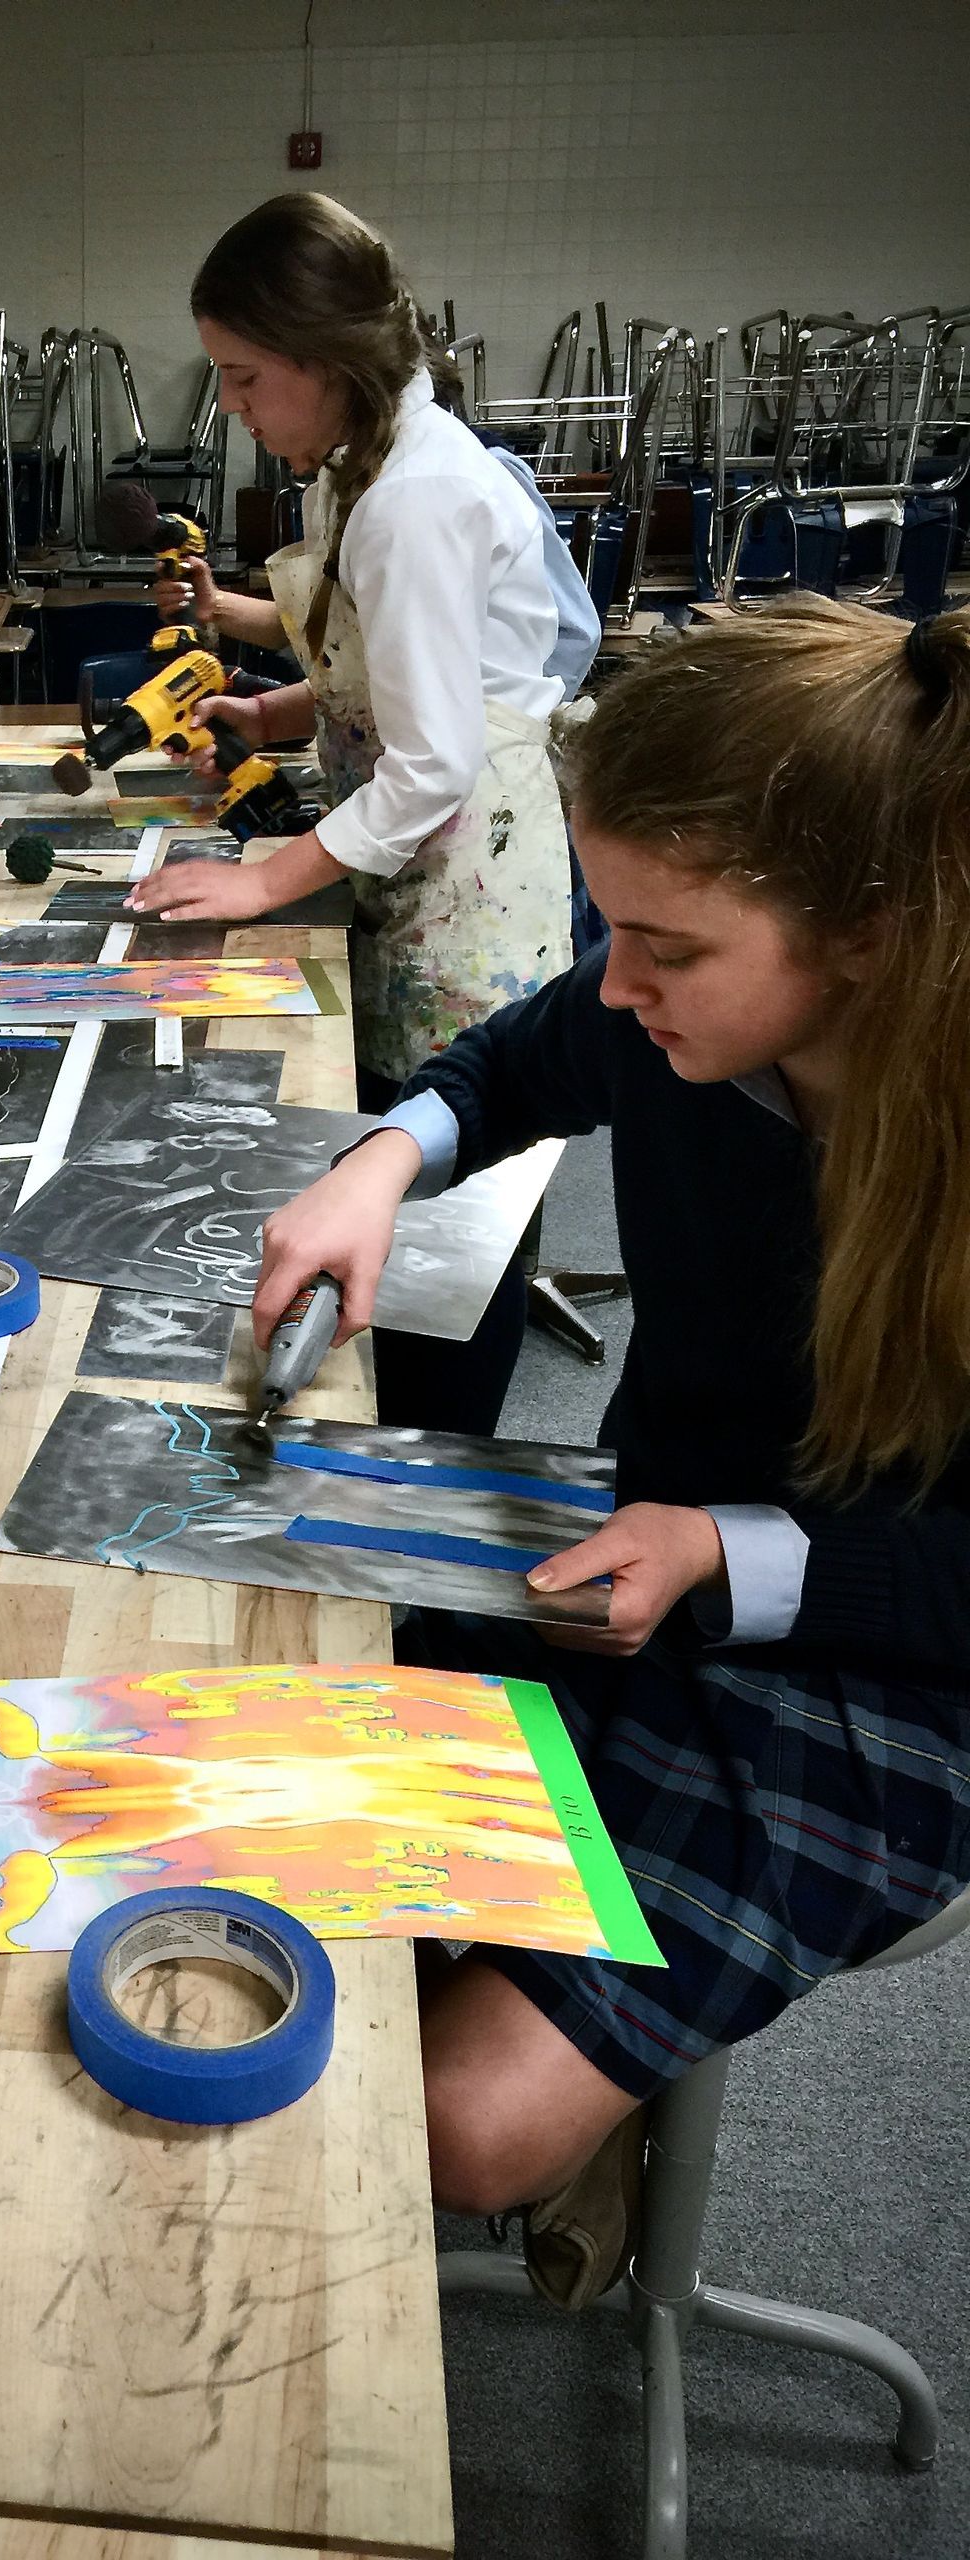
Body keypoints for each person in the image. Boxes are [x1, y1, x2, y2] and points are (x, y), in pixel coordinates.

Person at [250, 599, 970, 2288]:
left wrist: (738, 1561)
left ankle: (588, 2094)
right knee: (258, 1753)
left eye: (669, 943)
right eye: (608, 922)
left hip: (893, 1661)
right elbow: (516, 1057)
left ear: (866, 932)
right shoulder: (680, 1008)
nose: (618, 977)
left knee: (462, 2115)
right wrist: (379, 1161)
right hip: (638, 1543)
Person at [132, 194, 574, 1433]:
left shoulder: (417, 499)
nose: (231, 406)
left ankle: (431, 1510)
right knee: (403, 1203)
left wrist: (266, 879)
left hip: (468, 916)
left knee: (451, 1251)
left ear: (326, 363)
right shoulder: (363, 468)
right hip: (419, 892)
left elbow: (431, 762)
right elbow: (386, 657)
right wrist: (279, 716)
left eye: (244, 377)